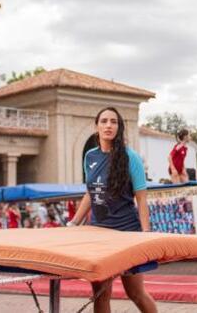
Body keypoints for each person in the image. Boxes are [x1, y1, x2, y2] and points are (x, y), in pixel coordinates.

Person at [68, 107, 157, 313]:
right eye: (104, 121)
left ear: (119, 127)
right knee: (101, 294)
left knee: (135, 293)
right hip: (98, 233)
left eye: (114, 122)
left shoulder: (130, 157)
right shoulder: (90, 157)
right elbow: (91, 193)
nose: (109, 125)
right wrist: (73, 222)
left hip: (127, 233)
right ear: (96, 126)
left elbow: (142, 198)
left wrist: (145, 234)